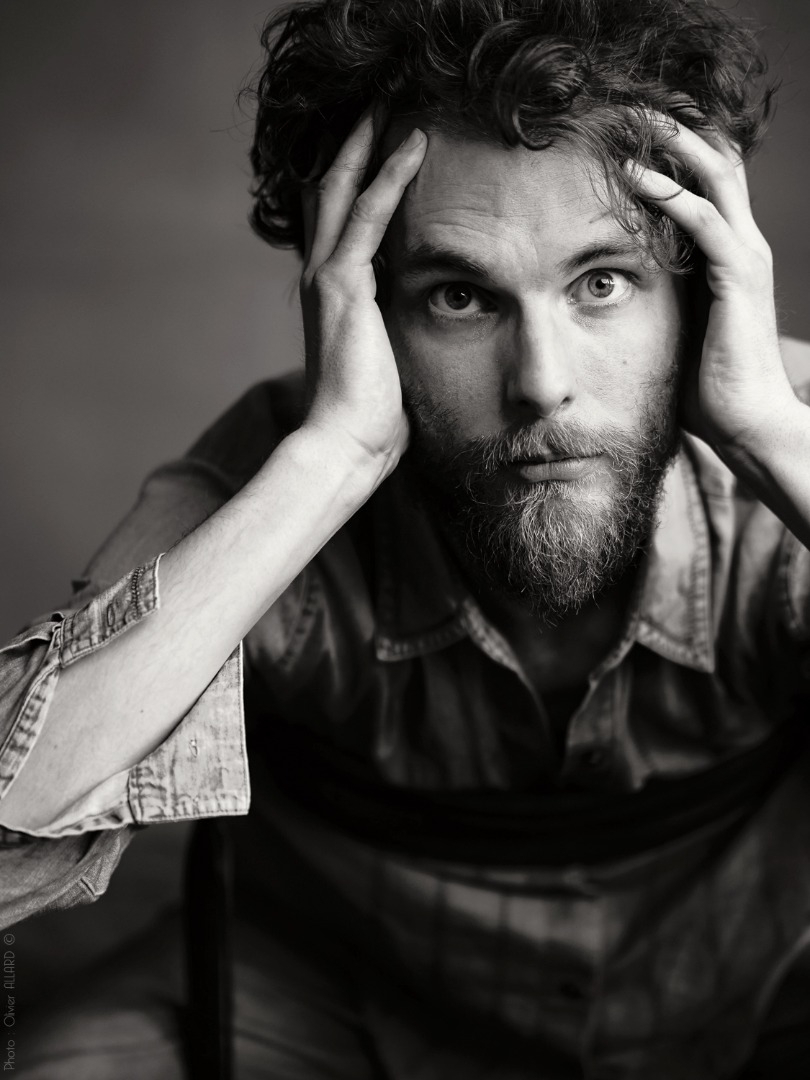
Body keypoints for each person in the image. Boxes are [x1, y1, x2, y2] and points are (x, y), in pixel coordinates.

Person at [1, 0, 809, 1075]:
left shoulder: (786, 445)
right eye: (460, 297)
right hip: (322, 1005)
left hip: (746, 1010)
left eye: (602, 283)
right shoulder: (280, 477)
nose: (542, 385)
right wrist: (332, 460)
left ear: (698, 299)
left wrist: (768, 438)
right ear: (365, 313)